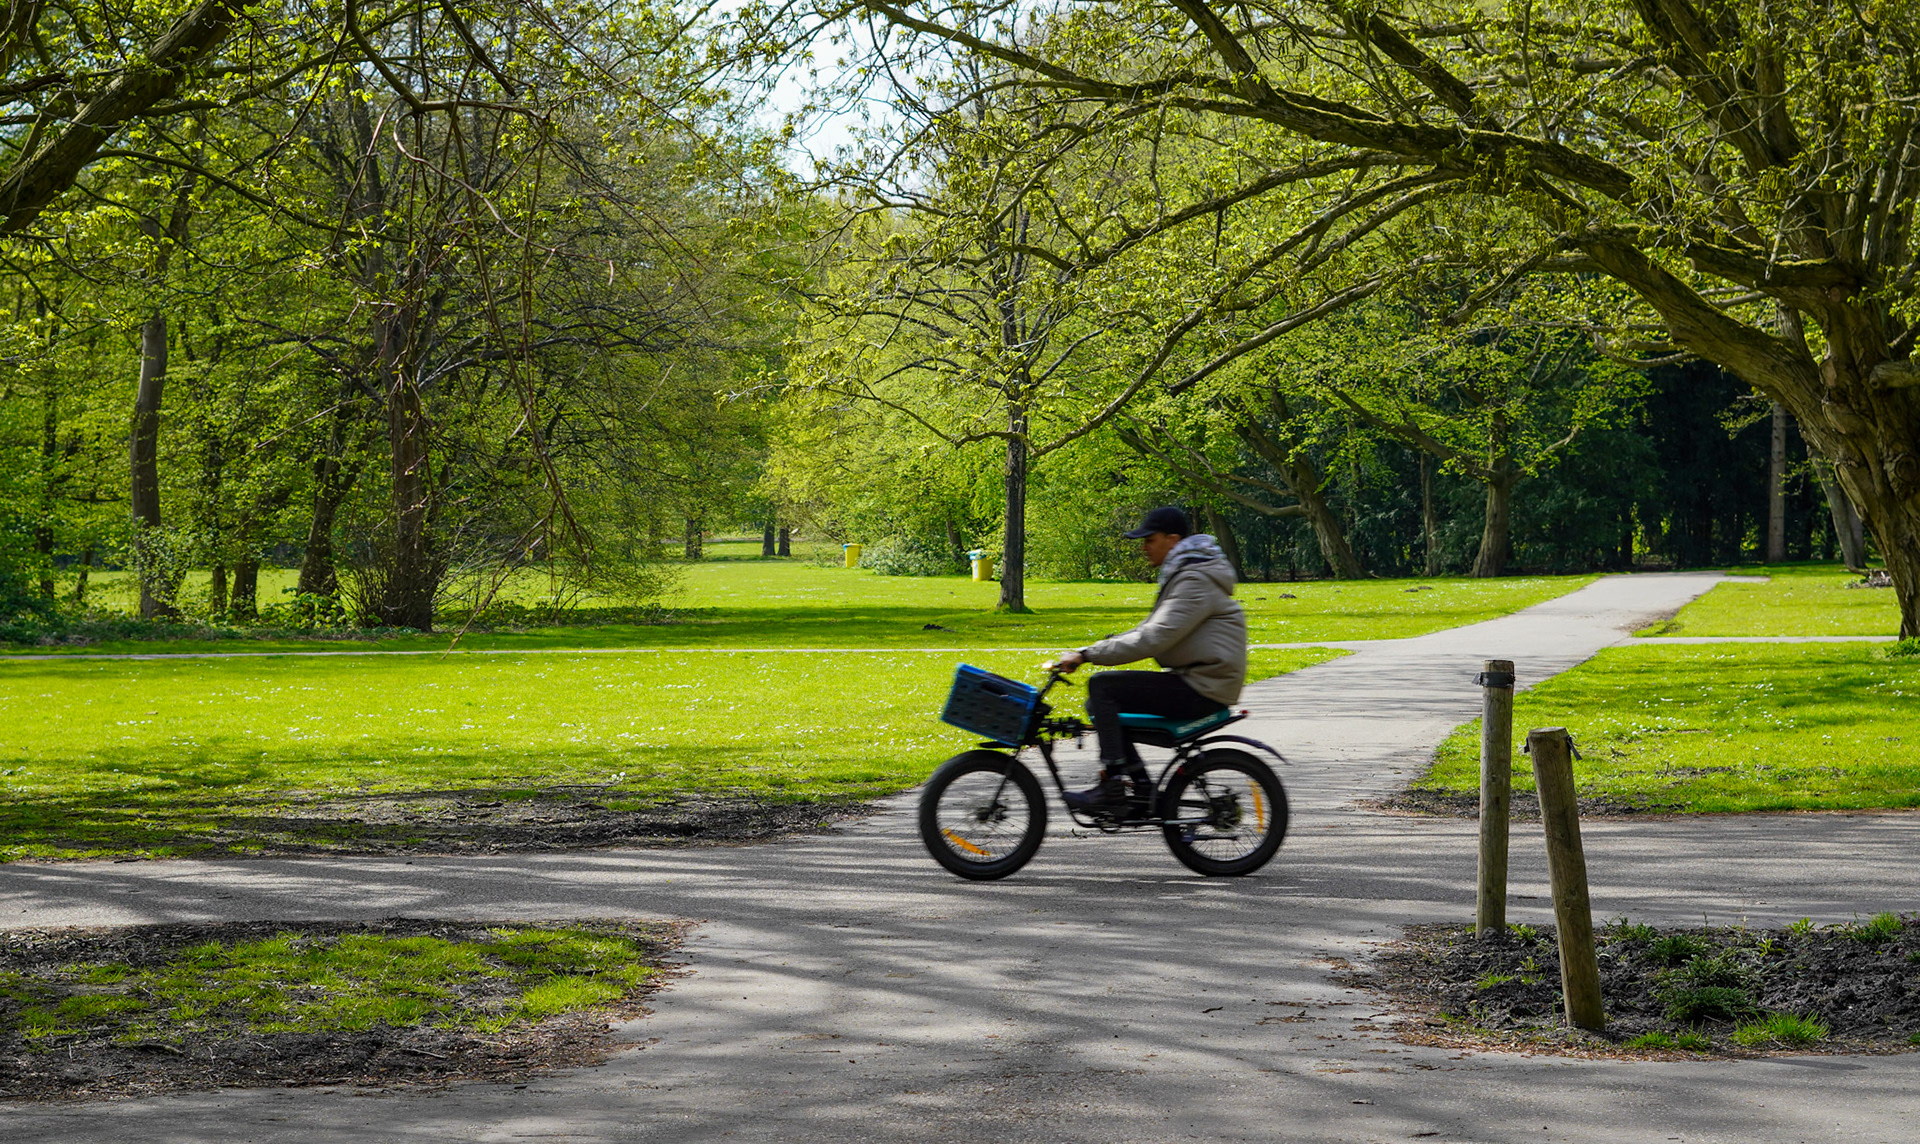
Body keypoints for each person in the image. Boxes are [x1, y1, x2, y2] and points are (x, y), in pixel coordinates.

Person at [1053, 505, 1248, 817]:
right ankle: (1141, 789)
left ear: (1173, 540)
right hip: (1199, 679)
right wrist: (1090, 650)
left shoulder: (1194, 580)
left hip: (1204, 687)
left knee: (1102, 688)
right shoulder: (1187, 574)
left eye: (1149, 539)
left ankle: (1113, 787)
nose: (1143, 547)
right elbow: (1147, 631)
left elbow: (1153, 638)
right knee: (1100, 707)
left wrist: (1088, 656)